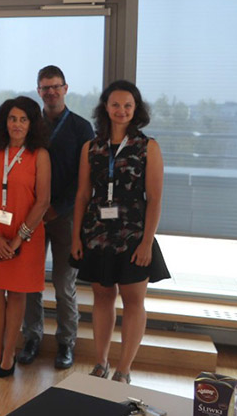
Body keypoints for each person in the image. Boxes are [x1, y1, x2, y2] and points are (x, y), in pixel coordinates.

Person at [71, 80, 169, 385]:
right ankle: (100, 363)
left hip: (133, 235)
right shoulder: (92, 147)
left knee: (133, 301)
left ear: (136, 109)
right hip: (97, 233)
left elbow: (154, 198)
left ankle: (124, 369)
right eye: (115, 104)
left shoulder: (147, 146)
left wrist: (147, 242)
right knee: (102, 298)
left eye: (128, 105)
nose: (121, 110)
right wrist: (76, 236)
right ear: (105, 108)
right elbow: (83, 195)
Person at [18, 65, 94, 370]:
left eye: (56, 86)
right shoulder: (30, 125)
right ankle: (32, 337)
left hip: (65, 216)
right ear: (38, 91)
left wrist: (57, 207)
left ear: (65, 88)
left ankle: (65, 343)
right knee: (31, 281)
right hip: (32, 215)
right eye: (44, 87)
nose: (50, 92)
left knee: (64, 284)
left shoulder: (81, 127)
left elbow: (84, 178)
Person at [0, 97, 51, 378]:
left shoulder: (39, 154)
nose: (17, 125)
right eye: (12, 119)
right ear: (4, 122)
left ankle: (9, 353)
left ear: (32, 124)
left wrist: (18, 240)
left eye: (23, 119)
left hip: (25, 238)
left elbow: (43, 202)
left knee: (17, 294)